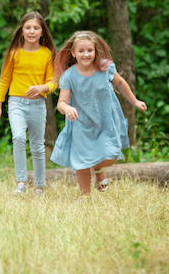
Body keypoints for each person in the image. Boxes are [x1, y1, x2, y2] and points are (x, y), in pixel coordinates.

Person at [49, 31, 147, 197]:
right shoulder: (68, 76)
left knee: (111, 155)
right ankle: (85, 196)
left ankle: (99, 168)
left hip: (105, 120)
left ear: (95, 51)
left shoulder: (105, 67)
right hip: (80, 122)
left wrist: (135, 101)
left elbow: (121, 83)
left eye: (90, 50)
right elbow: (61, 103)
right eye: (81, 51)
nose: (86, 54)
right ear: (73, 53)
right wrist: (67, 108)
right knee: (81, 161)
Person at [0, 11, 57, 196]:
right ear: (21, 31)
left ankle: (39, 187)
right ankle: (21, 182)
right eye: (28, 27)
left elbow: (54, 82)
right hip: (16, 103)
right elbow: (4, 80)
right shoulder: (14, 53)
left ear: (42, 32)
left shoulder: (46, 54)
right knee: (19, 138)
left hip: (37, 105)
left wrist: (43, 87)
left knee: (37, 145)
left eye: (36, 28)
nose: (31, 31)